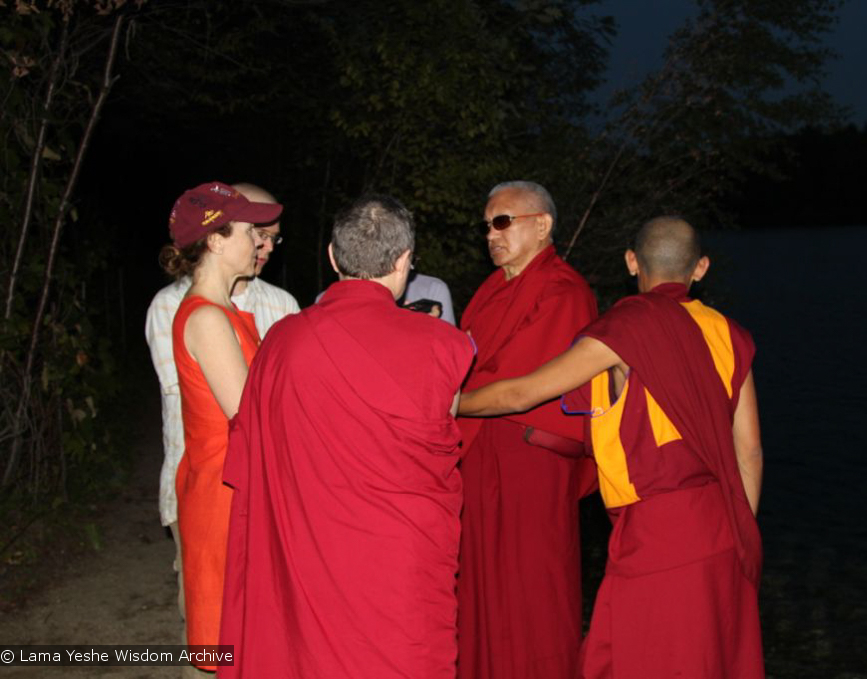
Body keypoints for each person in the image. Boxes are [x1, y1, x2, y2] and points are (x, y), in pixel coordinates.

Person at [459, 217, 765, 678]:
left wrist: (452, 402)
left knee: (635, 659)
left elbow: (522, 393)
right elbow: (750, 452)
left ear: (630, 262)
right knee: (707, 659)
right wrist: (740, 528)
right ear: (699, 268)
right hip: (722, 524)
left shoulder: (622, 330)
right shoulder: (729, 334)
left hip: (655, 533)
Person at [218, 196, 474, 678]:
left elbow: (254, 441)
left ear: (334, 258)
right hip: (401, 557)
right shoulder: (446, 344)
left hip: (310, 544)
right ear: (404, 261)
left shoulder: (284, 340)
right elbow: (446, 422)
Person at [143, 183, 298, 658]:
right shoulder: (207, 317)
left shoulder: (224, 312)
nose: (259, 242)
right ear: (214, 238)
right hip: (223, 493)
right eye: (251, 231)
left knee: (254, 639)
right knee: (230, 643)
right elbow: (253, 415)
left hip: (239, 485)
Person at [457, 180, 597, 679]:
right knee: (478, 586)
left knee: (533, 586)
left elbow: (519, 386)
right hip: (479, 453)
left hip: (528, 459)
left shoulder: (563, 290)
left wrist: (448, 404)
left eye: (503, 222)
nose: (491, 235)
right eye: (486, 225)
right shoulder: (493, 289)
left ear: (542, 226)